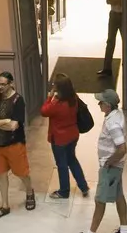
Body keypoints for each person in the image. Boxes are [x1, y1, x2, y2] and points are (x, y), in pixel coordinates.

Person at [72, 87, 127, 233]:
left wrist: (110, 162)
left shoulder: (113, 123)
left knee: (99, 200)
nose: (98, 104)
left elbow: (122, 148)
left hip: (111, 168)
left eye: (101, 102)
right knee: (119, 196)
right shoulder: (116, 114)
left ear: (108, 105)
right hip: (116, 167)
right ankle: (125, 232)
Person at [0, 70, 36, 218]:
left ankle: (29, 191)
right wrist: (3, 121)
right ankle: (5, 205)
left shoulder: (18, 100)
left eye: (3, 84)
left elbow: (13, 126)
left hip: (15, 143)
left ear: (11, 84)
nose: (0, 87)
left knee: (21, 173)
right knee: (1, 174)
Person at [38, 71, 90, 199]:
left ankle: (64, 191)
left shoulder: (57, 104)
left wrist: (50, 98)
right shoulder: (74, 99)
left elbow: (44, 111)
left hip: (60, 139)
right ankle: (83, 186)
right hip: (73, 135)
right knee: (72, 159)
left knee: (62, 164)